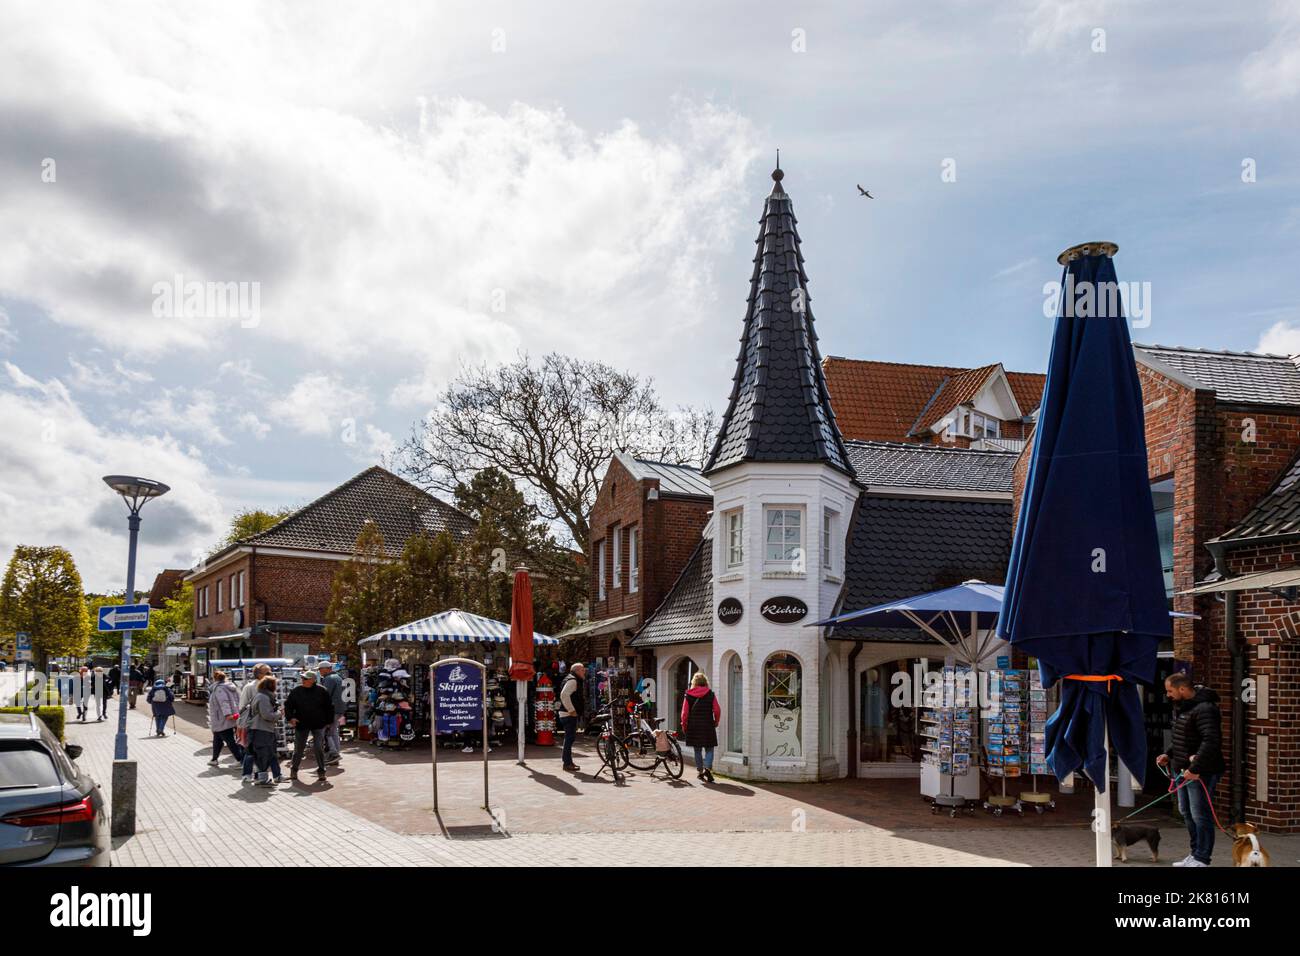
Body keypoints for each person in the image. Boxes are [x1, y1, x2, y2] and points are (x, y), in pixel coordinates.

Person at [1156, 672, 1225, 868]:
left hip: (1200, 771)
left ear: (1182, 689)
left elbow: (1210, 741)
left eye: (1170, 691)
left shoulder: (1205, 709)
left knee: (1200, 814)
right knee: (1186, 811)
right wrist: (1168, 754)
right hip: (1181, 770)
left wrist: (1195, 768)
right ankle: (1194, 854)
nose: (1168, 694)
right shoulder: (1183, 707)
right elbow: (1182, 737)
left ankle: (1203, 858)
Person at [284, 670, 333, 781]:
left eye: (305, 678)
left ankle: (321, 771)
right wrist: (291, 717)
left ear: (313, 680)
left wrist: (328, 722)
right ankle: (294, 770)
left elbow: (329, 707)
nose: (303, 680)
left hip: (318, 723)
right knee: (299, 748)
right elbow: (288, 705)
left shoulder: (322, 691)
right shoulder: (296, 691)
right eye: (302, 678)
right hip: (302, 723)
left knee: (318, 748)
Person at [681, 672, 721, 783]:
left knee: (697, 750)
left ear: (694, 682)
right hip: (708, 725)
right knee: (709, 748)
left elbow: (684, 713)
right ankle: (707, 768)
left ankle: (700, 772)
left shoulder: (688, 695)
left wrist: (684, 726)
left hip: (694, 726)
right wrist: (716, 721)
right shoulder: (711, 694)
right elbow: (717, 710)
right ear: (705, 682)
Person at [236, 663, 274, 782]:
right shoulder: (250, 687)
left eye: (271, 672)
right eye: (267, 672)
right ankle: (247, 774)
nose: (271, 674)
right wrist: (244, 724)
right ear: (258, 674)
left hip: (265, 724)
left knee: (261, 751)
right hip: (253, 725)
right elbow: (242, 706)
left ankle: (259, 775)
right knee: (251, 750)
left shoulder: (269, 686)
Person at [247, 675, 283, 787]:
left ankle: (261, 777)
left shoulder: (261, 695)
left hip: (259, 729)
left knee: (264, 754)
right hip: (262, 729)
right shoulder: (263, 697)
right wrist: (279, 713)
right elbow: (267, 715)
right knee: (263, 754)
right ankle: (262, 779)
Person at [207, 670, 245, 766]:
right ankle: (214, 759)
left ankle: (240, 759)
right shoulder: (231, 687)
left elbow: (224, 702)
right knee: (217, 738)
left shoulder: (219, 689)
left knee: (229, 740)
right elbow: (238, 699)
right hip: (229, 716)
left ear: (215, 679)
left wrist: (228, 715)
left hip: (222, 718)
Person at [557, 662, 586, 772]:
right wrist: (571, 710)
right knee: (569, 739)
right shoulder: (573, 680)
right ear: (577, 670)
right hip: (568, 714)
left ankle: (568, 762)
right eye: (582, 670)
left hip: (566, 713)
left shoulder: (571, 679)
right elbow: (564, 695)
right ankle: (567, 763)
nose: (584, 672)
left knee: (569, 739)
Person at [317, 660, 345, 765]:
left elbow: (324, 695)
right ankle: (335, 754)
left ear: (327, 669)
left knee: (328, 732)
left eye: (320, 669)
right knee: (333, 732)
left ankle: (334, 754)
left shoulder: (328, 679)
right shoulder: (338, 677)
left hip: (331, 709)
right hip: (338, 708)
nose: (319, 671)